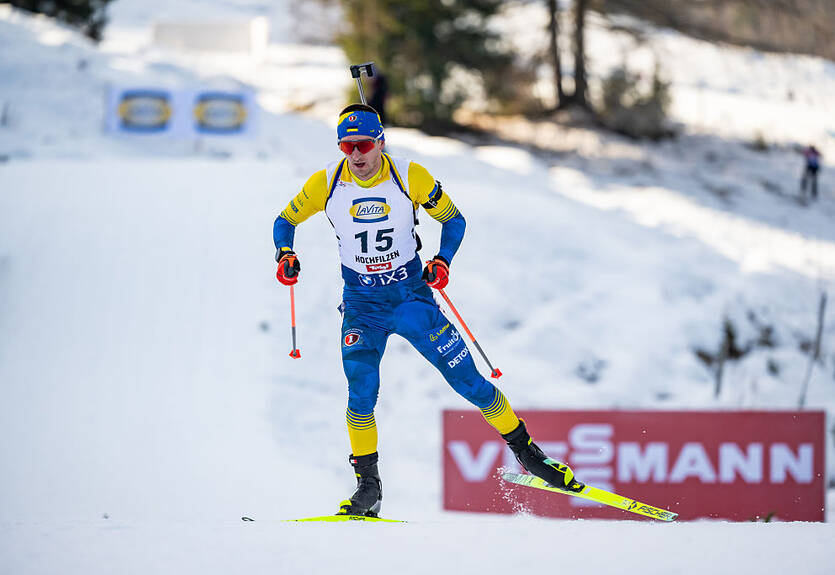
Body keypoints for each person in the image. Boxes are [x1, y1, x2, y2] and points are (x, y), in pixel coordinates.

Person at [272, 103, 581, 517]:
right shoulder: (327, 182)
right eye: (347, 147)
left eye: (363, 144)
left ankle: (528, 453)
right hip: (363, 305)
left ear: (380, 141)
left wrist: (443, 261)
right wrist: (285, 253)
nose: (356, 155)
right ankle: (369, 487)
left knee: (469, 382)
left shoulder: (408, 176)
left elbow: (454, 221)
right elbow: (284, 220)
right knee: (360, 394)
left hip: (410, 297)